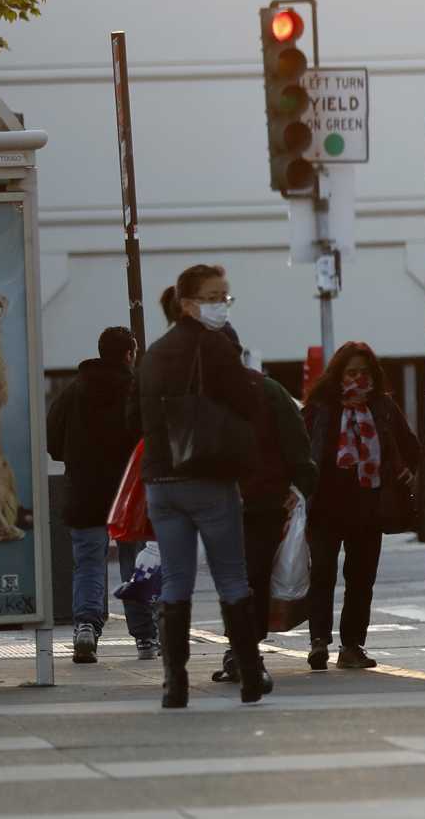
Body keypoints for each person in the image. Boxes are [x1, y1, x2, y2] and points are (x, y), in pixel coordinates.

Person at [130, 263, 269, 709]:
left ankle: (175, 685)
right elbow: (249, 404)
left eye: (224, 296)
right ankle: (249, 676)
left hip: (161, 482)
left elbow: (142, 418)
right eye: (212, 297)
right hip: (208, 477)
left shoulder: (153, 353)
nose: (221, 305)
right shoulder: (215, 347)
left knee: (175, 579)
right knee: (231, 576)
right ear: (187, 303)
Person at [303, 342, 421, 670]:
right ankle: (319, 642)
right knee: (323, 574)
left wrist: (407, 473)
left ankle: (352, 645)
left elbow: (411, 446)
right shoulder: (321, 407)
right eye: (351, 372)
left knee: (361, 579)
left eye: (364, 372)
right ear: (338, 374)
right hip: (325, 506)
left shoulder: (382, 407)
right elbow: (301, 448)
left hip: (370, 506)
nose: (358, 378)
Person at [46, 326, 157, 663]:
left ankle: (86, 628)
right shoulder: (135, 391)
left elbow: (53, 442)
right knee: (135, 565)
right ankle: (145, 639)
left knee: (88, 563)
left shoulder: (73, 391)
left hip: (84, 492)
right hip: (129, 495)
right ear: (129, 354)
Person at [210, 353, 316, 690]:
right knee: (251, 575)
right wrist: (300, 483)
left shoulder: (202, 391)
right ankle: (245, 648)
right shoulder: (268, 390)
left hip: (224, 500)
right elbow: (296, 441)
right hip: (263, 500)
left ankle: (240, 648)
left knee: (234, 575)